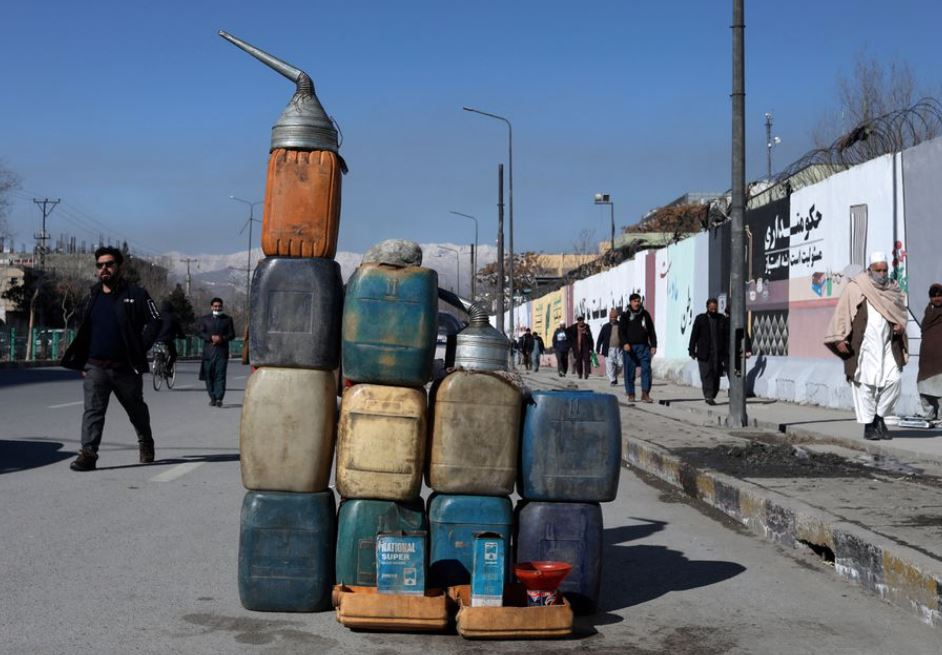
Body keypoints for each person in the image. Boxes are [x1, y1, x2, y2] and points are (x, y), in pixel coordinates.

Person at [61, 246, 161, 471]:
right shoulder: (92, 295)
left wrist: (140, 347)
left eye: (109, 264)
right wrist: (83, 361)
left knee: (136, 410)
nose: (104, 269)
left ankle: (145, 441)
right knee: (93, 411)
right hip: (96, 366)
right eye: (100, 265)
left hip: (126, 368)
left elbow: (156, 321)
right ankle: (88, 454)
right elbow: (86, 330)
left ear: (119, 266)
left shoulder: (136, 294)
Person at [824, 252, 908, 440]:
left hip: (887, 345)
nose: (882, 273)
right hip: (864, 346)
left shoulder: (892, 288)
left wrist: (900, 326)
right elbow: (843, 313)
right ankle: (869, 425)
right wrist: (840, 339)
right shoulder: (856, 287)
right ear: (870, 269)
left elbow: (900, 314)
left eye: (885, 269)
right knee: (864, 385)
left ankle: (879, 417)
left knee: (894, 380)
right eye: (878, 270)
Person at [689, 298, 729, 405]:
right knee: (706, 374)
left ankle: (713, 394)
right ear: (707, 307)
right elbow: (694, 335)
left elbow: (726, 336)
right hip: (704, 353)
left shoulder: (721, 319)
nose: (713, 311)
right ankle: (708, 396)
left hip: (717, 353)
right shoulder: (700, 319)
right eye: (711, 308)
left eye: (715, 308)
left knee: (716, 374)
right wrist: (691, 350)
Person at [619, 293, 657, 403]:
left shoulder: (645, 314)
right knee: (630, 371)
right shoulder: (625, 315)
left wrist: (653, 345)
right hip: (629, 348)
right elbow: (621, 331)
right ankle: (631, 393)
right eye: (635, 301)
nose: (637, 303)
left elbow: (651, 331)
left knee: (646, 370)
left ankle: (645, 393)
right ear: (631, 302)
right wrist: (625, 343)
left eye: (638, 301)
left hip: (644, 347)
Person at [198, 297, 236, 407]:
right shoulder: (205, 319)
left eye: (219, 306)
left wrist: (221, 338)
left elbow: (232, 334)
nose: (217, 308)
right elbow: (200, 333)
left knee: (220, 376)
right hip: (208, 353)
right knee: (209, 377)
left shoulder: (227, 319)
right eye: (215, 306)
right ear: (211, 307)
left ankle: (219, 397)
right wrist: (210, 338)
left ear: (222, 307)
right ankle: (212, 397)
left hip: (221, 352)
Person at [917, 283, 942, 420]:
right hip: (927, 358)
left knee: (940, 389)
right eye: (934, 296)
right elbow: (925, 329)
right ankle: (928, 414)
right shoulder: (929, 311)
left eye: (940, 296)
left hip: (940, 358)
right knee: (924, 388)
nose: (937, 299)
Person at [155, 299, 185, 371]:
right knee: (173, 354)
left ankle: (157, 364)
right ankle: (168, 369)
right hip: (168, 339)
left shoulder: (157, 316)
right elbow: (178, 329)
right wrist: (181, 336)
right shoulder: (173, 317)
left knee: (157, 351)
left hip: (156, 339)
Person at [596, 308, 623, 387]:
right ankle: (613, 380)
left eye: (614, 318)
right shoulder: (605, 327)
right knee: (610, 365)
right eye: (612, 318)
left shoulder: (621, 325)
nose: (613, 319)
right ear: (609, 318)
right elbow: (600, 338)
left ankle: (614, 375)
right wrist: (598, 347)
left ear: (617, 317)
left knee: (621, 364)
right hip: (608, 349)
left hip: (619, 349)